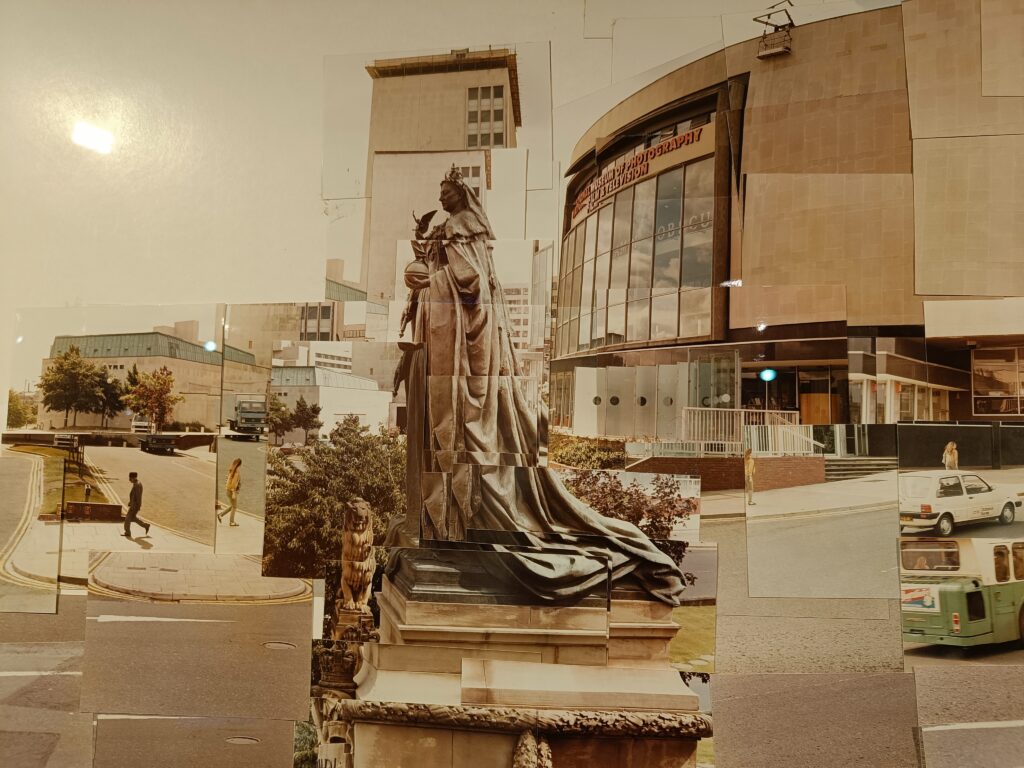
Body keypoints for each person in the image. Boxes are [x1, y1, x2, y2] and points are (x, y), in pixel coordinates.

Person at [389, 165, 686, 606]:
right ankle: (441, 521)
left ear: (461, 195)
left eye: (446, 190)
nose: (442, 195)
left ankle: (459, 520)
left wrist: (427, 277)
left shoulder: (462, 228)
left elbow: (468, 283)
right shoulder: (453, 231)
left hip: (464, 350)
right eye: (441, 190)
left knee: (462, 433)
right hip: (446, 346)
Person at [123, 472, 150, 538]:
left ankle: (127, 532)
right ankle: (146, 526)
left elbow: (138, 497)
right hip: (134, 505)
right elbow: (134, 496)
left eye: (129, 478)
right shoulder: (136, 484)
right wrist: (131, 501)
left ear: (133, 478)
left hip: (134, 506)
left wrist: (136, 506)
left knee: (127, 519)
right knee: (133, 518)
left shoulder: (137, 485)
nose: (129, 480)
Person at [218, 458, 242, 526]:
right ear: (239, 465)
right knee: (234, 507)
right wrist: (234, 493)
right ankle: (231, 522)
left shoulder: (231, 471)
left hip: (228, 490)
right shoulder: (236, 473)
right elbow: (233, 484)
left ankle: (220, 515)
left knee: (233, 505)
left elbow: (227, 481)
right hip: (231, 491)